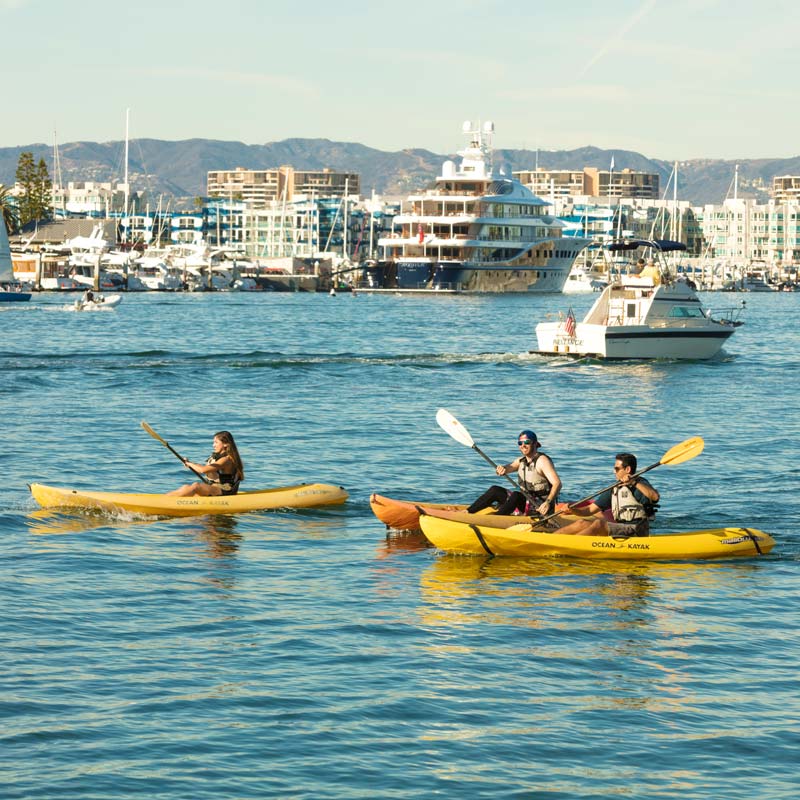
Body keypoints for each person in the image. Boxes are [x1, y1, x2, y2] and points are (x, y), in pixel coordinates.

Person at [555, 452, 659, 537]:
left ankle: (572, 545)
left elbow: (655, 496)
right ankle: (552, 539)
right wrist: (573, 510)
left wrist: (633, 482)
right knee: (582, 523)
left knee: (599, 524)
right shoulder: (615, 488)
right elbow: (590, 510)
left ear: (627, 470)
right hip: (621, 527)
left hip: (637, 529)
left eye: (617, 469)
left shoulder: (640, 484)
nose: (614, 472)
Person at [466, 430, 561, 517]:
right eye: (520, 443)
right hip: (526, 502)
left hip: (539, 507)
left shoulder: (542, 461)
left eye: (527, 442)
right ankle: (468, 512)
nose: (523, 445)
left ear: (535, 444)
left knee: (516, 495)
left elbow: (557, 483)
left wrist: (547, 502)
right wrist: (502, 469)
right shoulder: (521, 461)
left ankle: (497, 518)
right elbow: (509, 467)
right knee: (495, 490)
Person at [167, 431, 244, 497]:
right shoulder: (219, 457)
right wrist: (190, 463)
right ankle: (165, 499)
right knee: (186, 487)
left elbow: (203, 470)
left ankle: (166, 502)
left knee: (196, 486)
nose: (213, 445)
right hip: (216, 487)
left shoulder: (226, 459)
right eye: (213, 442)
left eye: (216, 442)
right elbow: (205, 467)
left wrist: (189, 464)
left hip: (226, 490)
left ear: (225, 444)